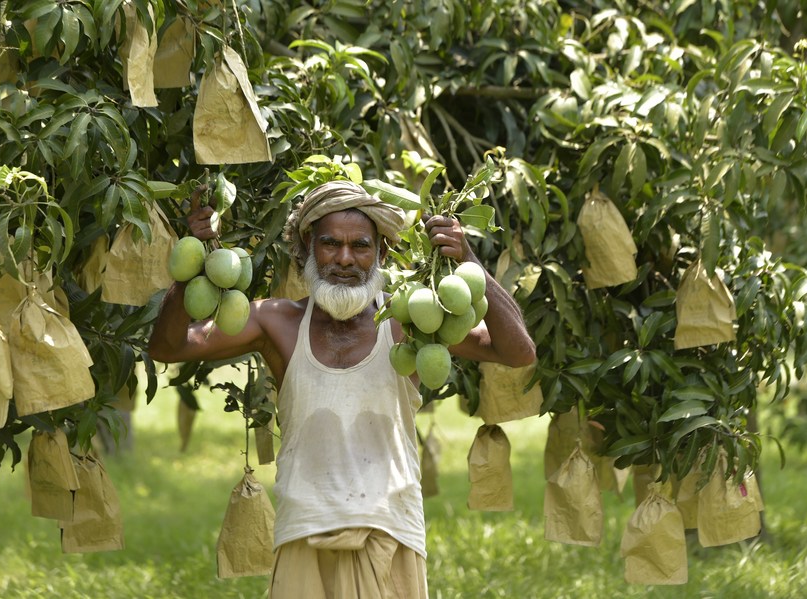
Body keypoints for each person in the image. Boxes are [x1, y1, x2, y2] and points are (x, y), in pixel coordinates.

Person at [148, 180, 536, 598]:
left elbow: (518, 352)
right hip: (303, 531)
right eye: (331, 244)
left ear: (382, 252)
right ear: (307, 248)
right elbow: (169, 348)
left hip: (389, 531)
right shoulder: (276, 322)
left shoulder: (410, 322)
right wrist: (192, 265)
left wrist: (468, 260)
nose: (345, 259)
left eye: (361, 246)